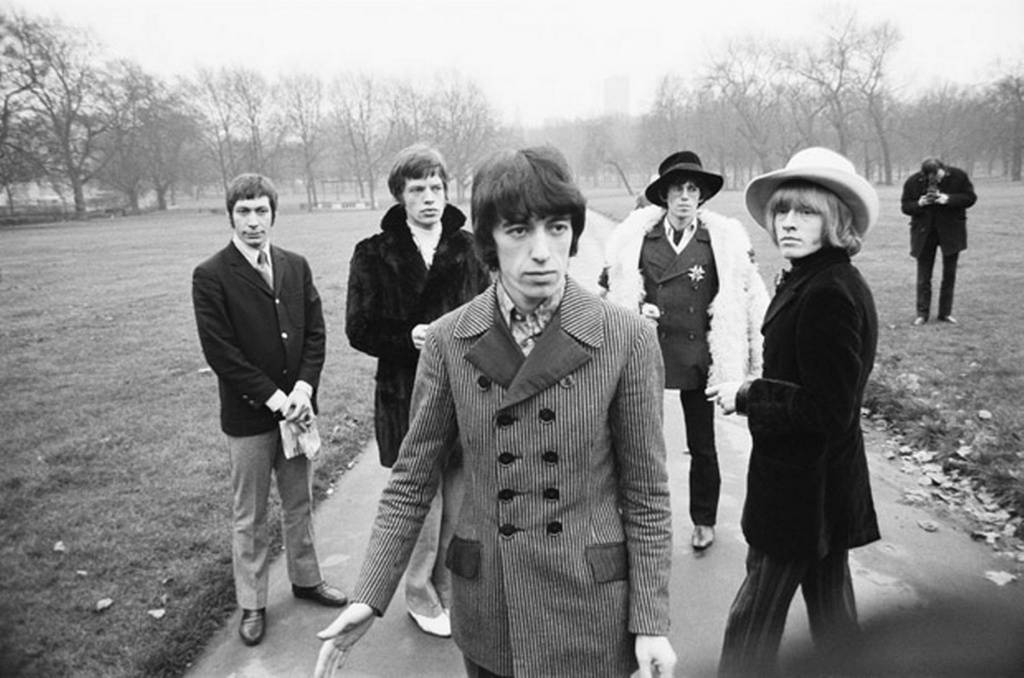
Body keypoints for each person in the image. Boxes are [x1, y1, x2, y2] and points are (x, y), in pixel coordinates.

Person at [316, 146, 676, 678]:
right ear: (488, 242)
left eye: (556, 228)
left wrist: (651, 621)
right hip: (491, 605)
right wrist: (370, 595)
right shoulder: (447, 341)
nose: (541, 253)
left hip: (591, 606)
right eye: (517, 231)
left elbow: (647, 495)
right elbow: (412, 480)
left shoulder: (627, 339)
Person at [706, 147, 881, 676]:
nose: (787, 222)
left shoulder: (828, 291)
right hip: (820, 487)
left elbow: (828, 409)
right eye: (783, 211)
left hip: (801, 493)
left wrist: (747, 394)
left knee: (751, 626)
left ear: (836, 220)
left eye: (805, 212)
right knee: (835, 623)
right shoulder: (816, 277)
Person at [192, 174, 347, 647]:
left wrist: (302, 387)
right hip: (250, 419)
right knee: (250, 514)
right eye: (244, 212)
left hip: (298, 411)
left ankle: (306, 579)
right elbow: (221, 354)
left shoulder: (295, 266)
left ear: (273, 214)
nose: (254, 220)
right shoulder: (211, 275)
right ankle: (253, 602)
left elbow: (314, 334)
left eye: (261, 211)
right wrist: (276, 399)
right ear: (231, 215)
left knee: (299, 503)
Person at [345, 144, 490, 637]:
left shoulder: (470, 249)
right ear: (400, 195)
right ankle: (417, 592)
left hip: (465, 388)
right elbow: (358, 328)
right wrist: (407, 338)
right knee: (421, 501)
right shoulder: (373, 252)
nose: (429, 198)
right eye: (417, 189)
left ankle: (449, 589)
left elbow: (492, 317)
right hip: (405, 392)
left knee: (460, 496)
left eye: (436, 187)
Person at [603, 150, 768, 551]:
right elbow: (610, 289)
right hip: (651, 353)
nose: (685, 198)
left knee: (702, 445)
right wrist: (637, 310)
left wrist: (755, 355)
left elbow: (745, 297)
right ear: (664, 196)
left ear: (701, 197)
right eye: (677, 190)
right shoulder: (637, 238)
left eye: (693, 190)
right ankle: (641, 517)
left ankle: (704, 519)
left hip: (698, 357)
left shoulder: (721, 242)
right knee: (642, 441)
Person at [900, 157, 977, 325]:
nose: (936, 180)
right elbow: (905, 206)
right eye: (931, 177)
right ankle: (922, 314)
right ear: (924, 175)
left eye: (939, 175)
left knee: (949, 275)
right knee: (923, 276)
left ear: (944, 169)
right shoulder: (913, 182)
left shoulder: (959, 176)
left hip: (951, 232)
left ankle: (945, 313)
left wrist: (948, 199)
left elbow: (970, 198)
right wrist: (919, 203)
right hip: (924, 233)